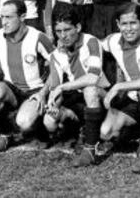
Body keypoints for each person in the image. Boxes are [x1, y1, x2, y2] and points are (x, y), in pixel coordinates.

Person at [82, 3, 140, 173]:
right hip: (133, 98)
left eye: (133, 23)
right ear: (117, 24)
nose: (128, 29)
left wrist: (118, 86)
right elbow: (94, 44)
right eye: (124, 24)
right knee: (106, 132)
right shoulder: (114, 40)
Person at [0, 0, 54, 152]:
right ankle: (6, 134)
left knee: (24, 122)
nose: (3, 22)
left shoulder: (38, 37)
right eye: (2, 17)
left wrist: (44, 93)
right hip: (12, 89)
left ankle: (41, 130)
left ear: (23, 17)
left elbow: (57, 65)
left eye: (9, 17)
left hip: (35, 91)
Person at [43, 8, 109, 164]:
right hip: (76, 96)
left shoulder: (91, 42)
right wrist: (53, 103)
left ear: (78, 28)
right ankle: (79, 129)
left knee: (89, 90)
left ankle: (90, 148)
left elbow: (93, 77)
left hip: (102, 95)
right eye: (58, 31)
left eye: (67, 30)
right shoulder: (56, 54)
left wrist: (63, 87)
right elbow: (56, 86)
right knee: (49, 121)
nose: (63, 35)